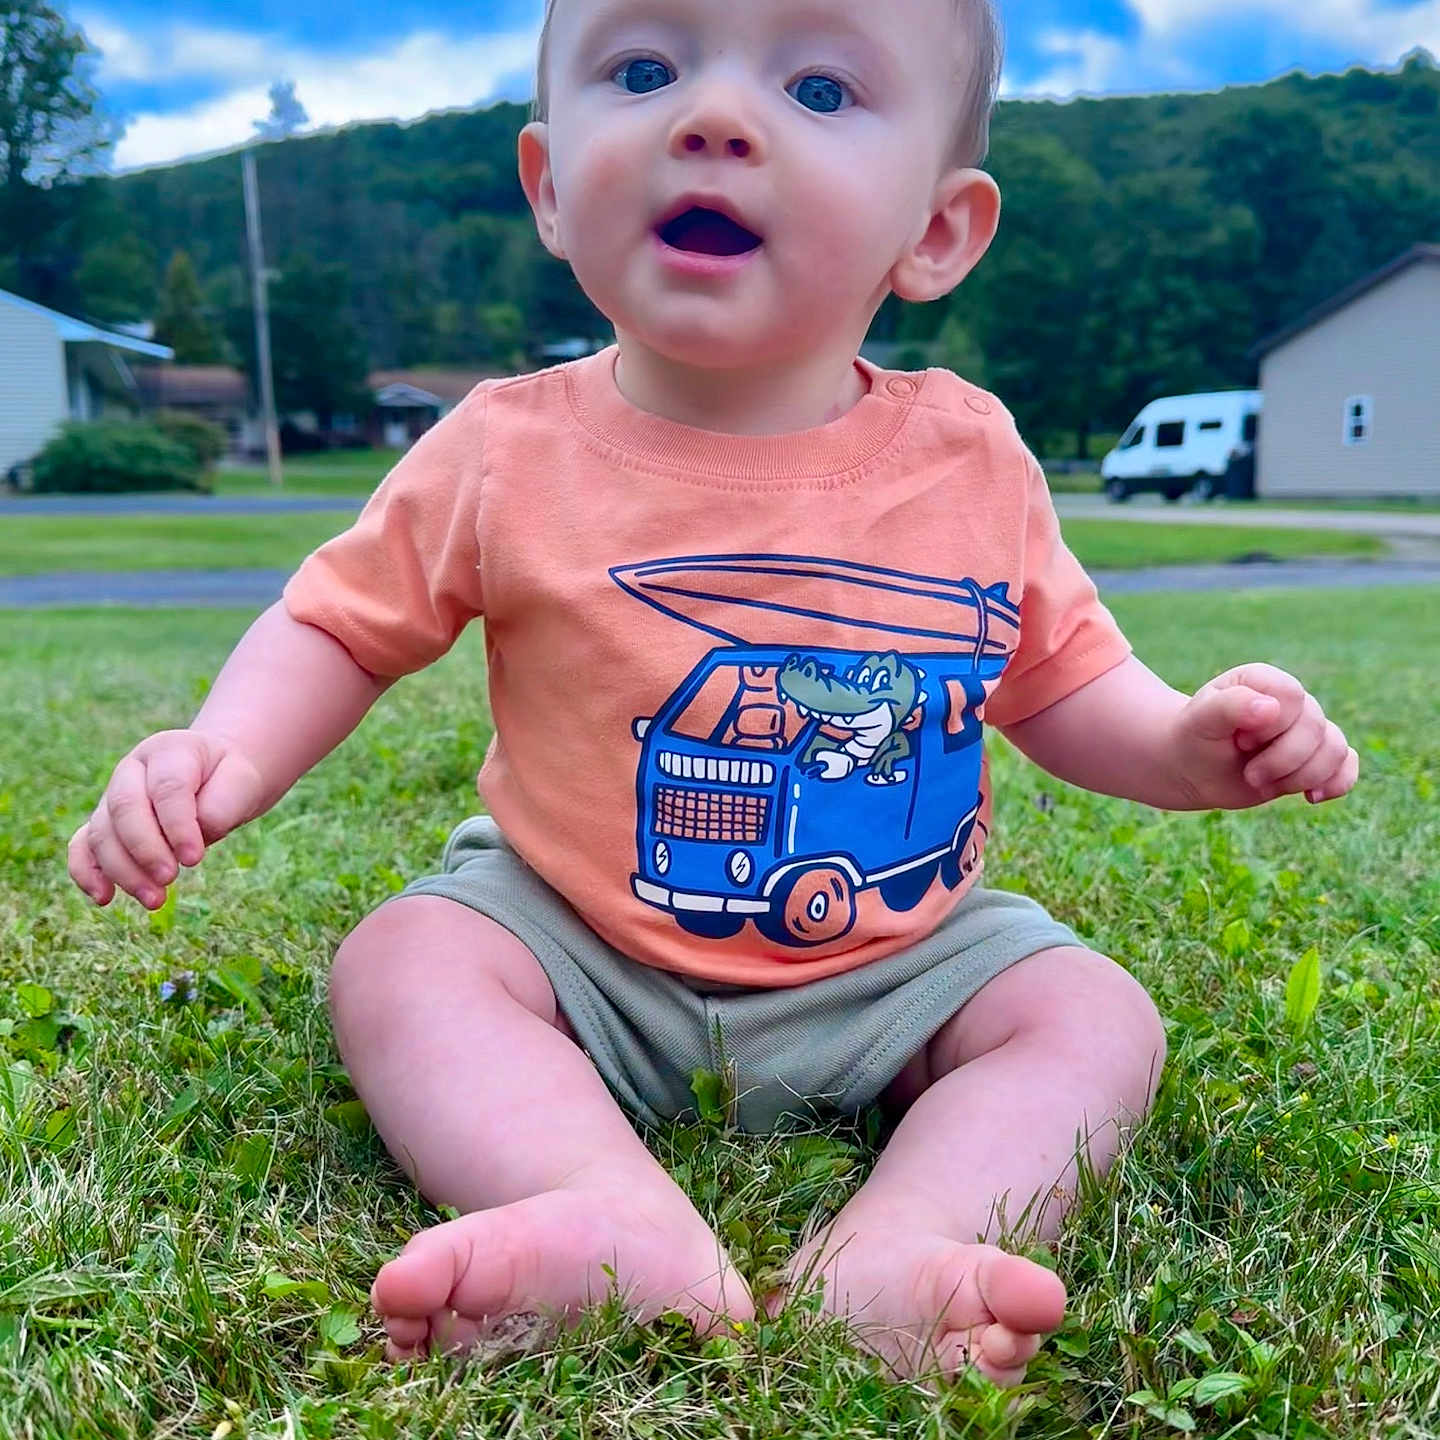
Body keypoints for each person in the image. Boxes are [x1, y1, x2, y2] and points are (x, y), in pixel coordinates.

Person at [67, 0, 1359, 1387]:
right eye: (643, 68)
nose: (714, 116)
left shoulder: (971, 456)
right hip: (573, 938)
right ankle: (600, 1210)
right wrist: (221, 749)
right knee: (405, 963)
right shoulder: (505, 448)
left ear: (934, 231)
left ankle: (898, 1248)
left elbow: (1065, 683)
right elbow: (339, 626)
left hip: (901, 955)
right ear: (554, 184)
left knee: (1092, 1016)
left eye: (816, 85)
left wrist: (1187, 742)